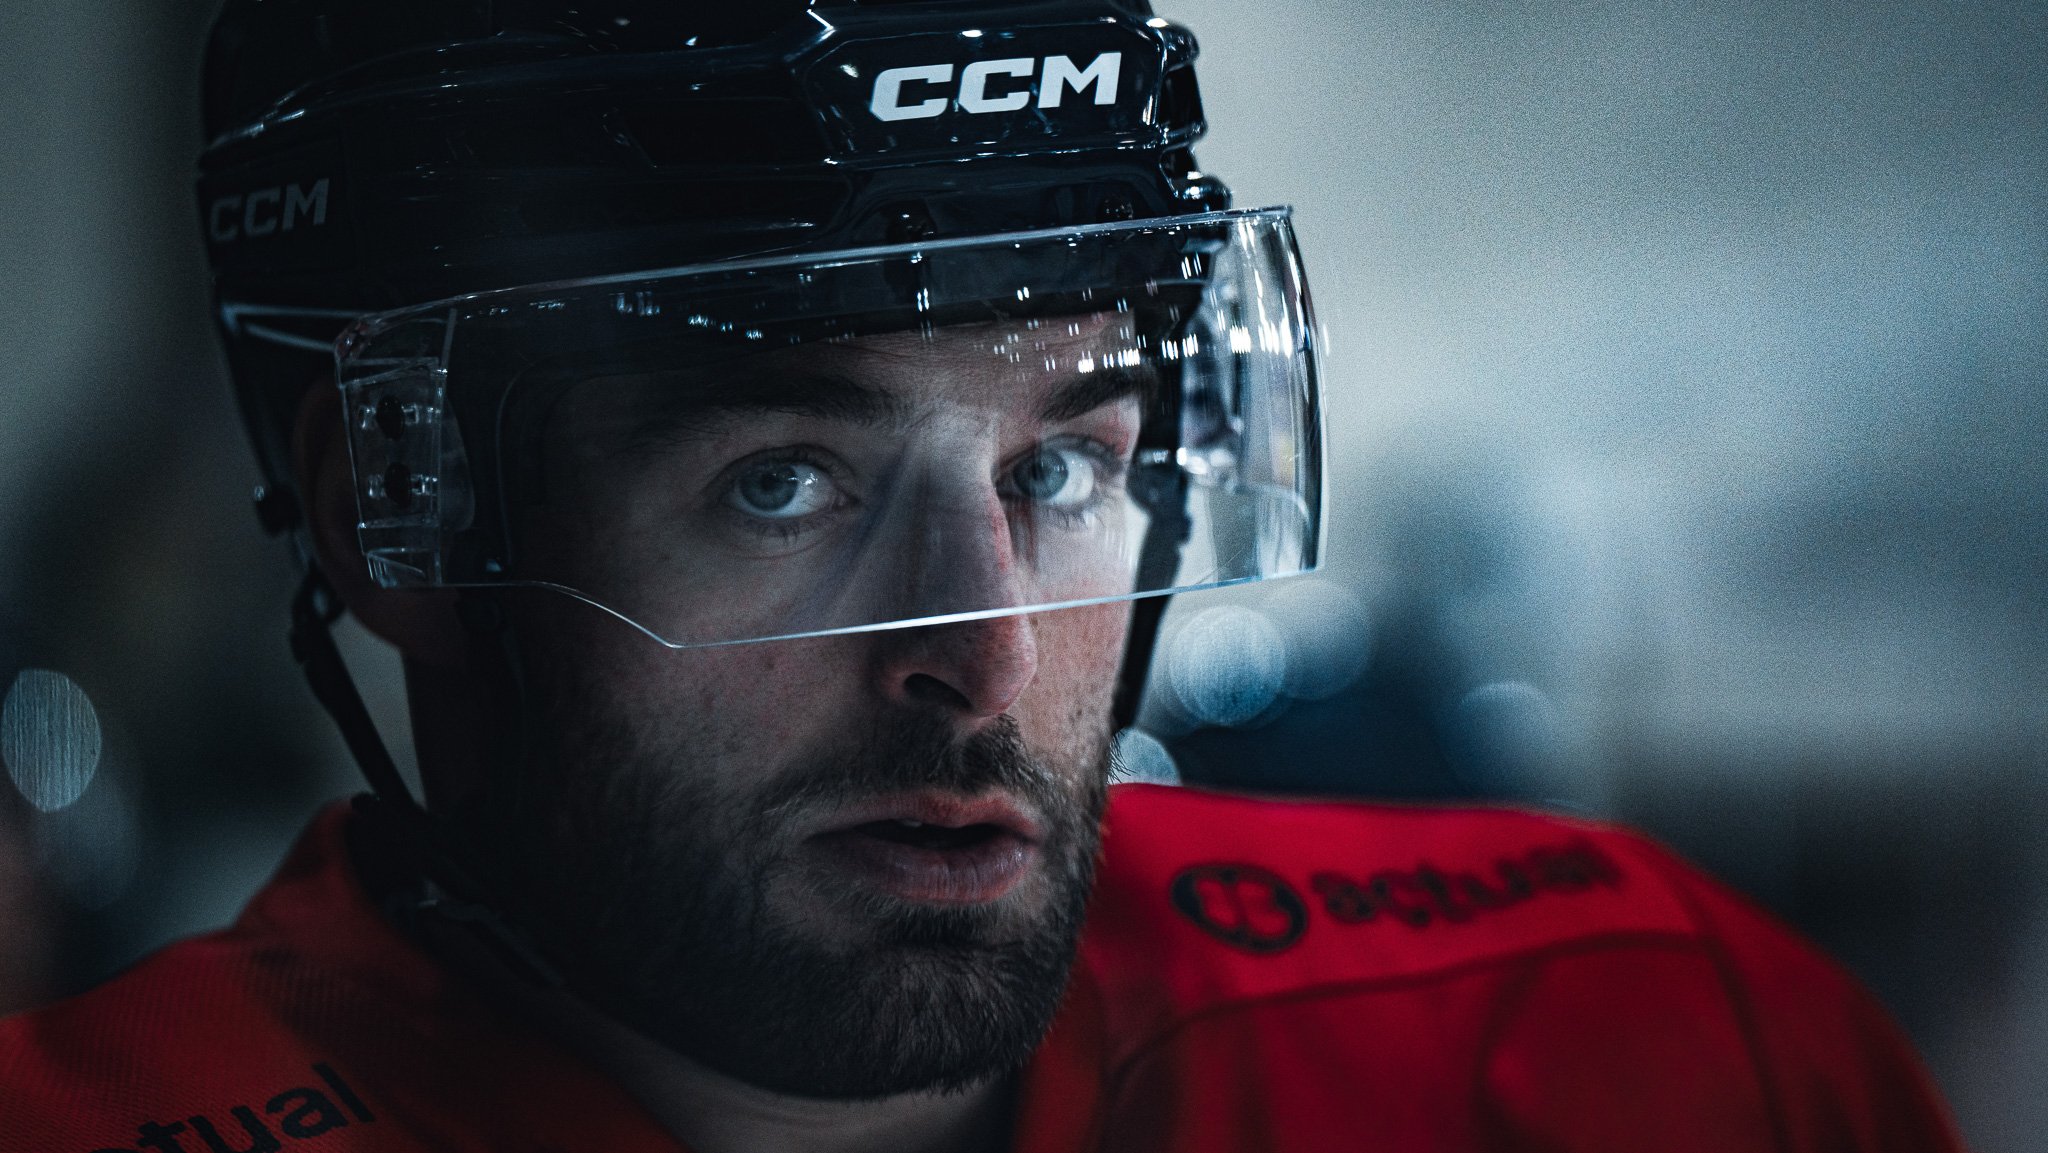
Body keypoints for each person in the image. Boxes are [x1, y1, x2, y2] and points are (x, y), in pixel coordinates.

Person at [1, 2, 1963, 1151]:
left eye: (1065, 461)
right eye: (780, 480)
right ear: (393, 509)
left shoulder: (1641, 1046)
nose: (987, 646)